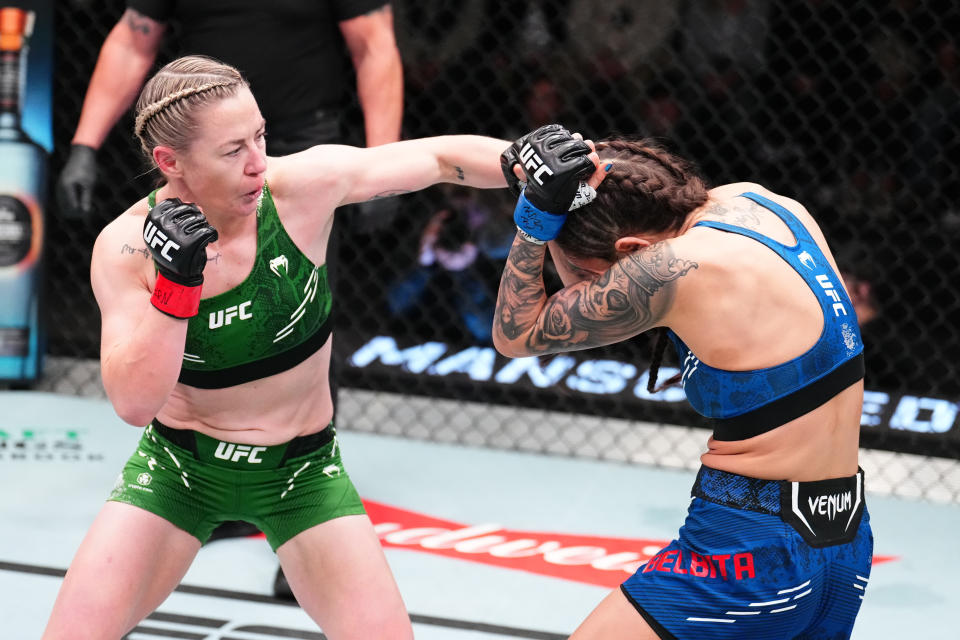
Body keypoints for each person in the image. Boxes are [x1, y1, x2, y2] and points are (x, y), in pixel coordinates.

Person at [41, 55, 508, 640]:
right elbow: (134, 402)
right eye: (233, 150)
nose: (259, 164)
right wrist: (176, 288)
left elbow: (439, 159)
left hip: (303, 472)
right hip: (180, 469)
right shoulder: (125, 249)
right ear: (170, 162)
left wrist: (522, 163)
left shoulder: (298, 188)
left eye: (260, 136)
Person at [495, 125, 872, 639]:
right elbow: (613, 179)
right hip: (846, 537)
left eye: (583, 276)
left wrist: (534, 227)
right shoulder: (757, 202)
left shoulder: (674, 267)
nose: (582, 292)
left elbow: (517, 333)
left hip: (751, 546)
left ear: (632, 249)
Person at [56, 1, 403, 217]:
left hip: (304, 139)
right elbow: (132, 43)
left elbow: (375, 47)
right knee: (192, 271)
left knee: (300, 287)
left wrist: (382, 166)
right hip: (205, 143)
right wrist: (85, 146)